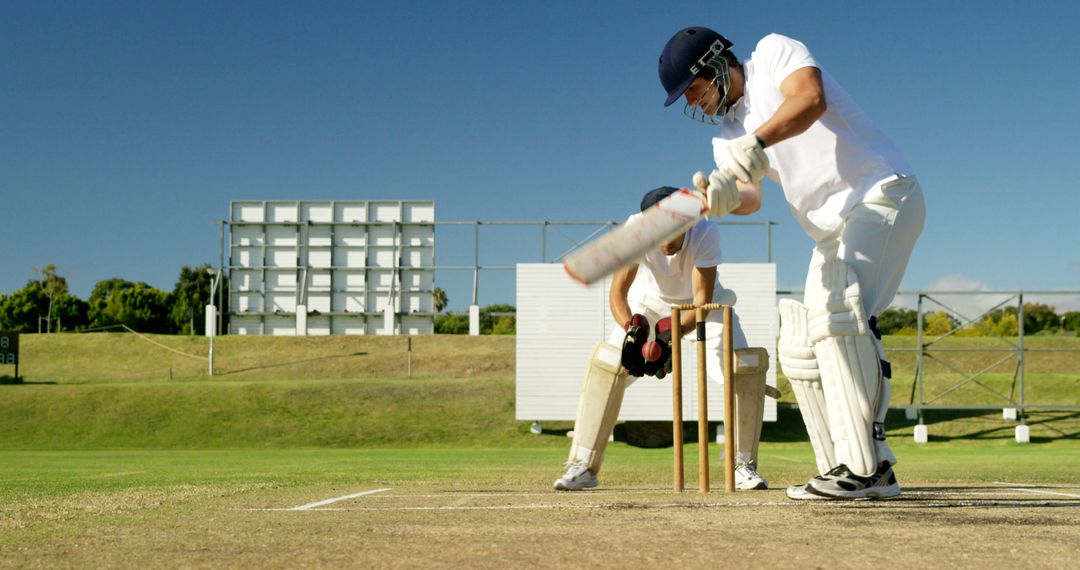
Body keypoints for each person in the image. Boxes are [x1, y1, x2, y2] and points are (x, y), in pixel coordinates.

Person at [658, 27, 926, 500]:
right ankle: (848, 466)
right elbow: (751, 197)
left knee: (839, 318)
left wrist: (758, 143)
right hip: (830, 231)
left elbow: (810, 99)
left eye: (695, 90)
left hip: (879, 194)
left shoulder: (772, 53)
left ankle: (867, 468)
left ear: (716, 63)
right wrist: (714, 201)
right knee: (800, 342)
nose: (694, 104)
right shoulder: (727, 137)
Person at [554, 186, 771, 492]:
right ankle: (584, 466)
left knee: (742, 367)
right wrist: (633, 331)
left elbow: (700, 300)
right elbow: (618, 293)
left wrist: (669, 338)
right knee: (608, 365)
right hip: (648, 302)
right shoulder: (635, 229)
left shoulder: (705, 230)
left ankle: (742, 464)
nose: (667, 244)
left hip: (705, 308)